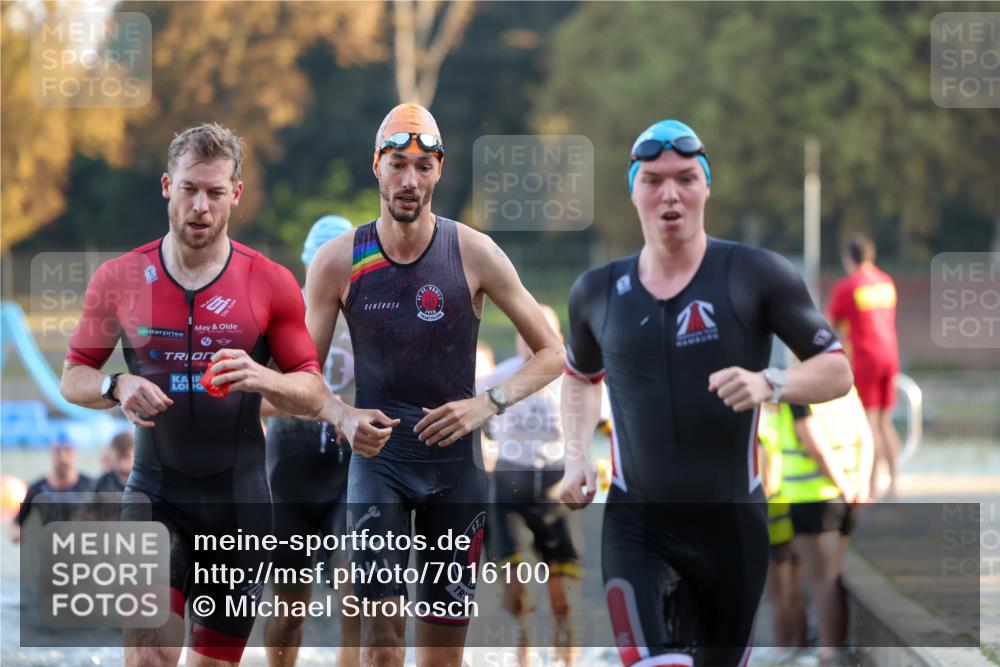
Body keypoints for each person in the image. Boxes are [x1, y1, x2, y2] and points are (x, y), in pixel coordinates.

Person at [558, 119, 853, 667]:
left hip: (731, 528)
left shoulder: (755, 274)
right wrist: (576, 456)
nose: (670, 193)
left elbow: (836, 371)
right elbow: (579, 377)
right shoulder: (596, 292)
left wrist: (771, 382)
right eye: (653, 180)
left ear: (706, 186)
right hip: (636, 523)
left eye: (686, 178)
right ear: (634, 191)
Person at [309, 102, 565, 667]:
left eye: (422, 168)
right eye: (397, 164)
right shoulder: (337, 261)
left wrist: (487, 403)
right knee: (381, 647)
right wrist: (342, 415)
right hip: (379, 466)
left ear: (440, 171)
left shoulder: (472, 252)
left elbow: (552, 354)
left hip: (457, 472)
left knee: (442, 656)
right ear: (375, 165)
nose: (409, 180)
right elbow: (304, 377)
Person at [61, 122, 325, 667]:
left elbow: (311, 390)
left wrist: (263, 377)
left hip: (241, 502)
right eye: (189, 189)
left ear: (236, 196)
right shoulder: (120, 276)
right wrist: (116, 384)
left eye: (215, 192)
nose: (200, 206)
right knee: (149, 653)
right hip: (155, 491)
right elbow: (73, 375)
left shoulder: (270, 282)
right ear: (167, 186)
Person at [263, 214, 360, 667]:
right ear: (308, 265)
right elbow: (254, 399)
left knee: (354, 590)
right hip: (290, 475)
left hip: (350, 471)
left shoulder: (370, 318)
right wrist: (319, 405)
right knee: (288, 608)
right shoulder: (280, 318)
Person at [479, 305, 581, 667]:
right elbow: (468, 418)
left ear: (559, 340)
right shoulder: (497, 379)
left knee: (562, 599)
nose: (529, 342)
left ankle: (566, 659)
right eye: (523, 334)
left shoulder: (575, 380)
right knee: (518, 592)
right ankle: (524, 652)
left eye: (539, 334)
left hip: (556, 494)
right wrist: (483, 455)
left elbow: (608, 425)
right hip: (510, 494)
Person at [774, 388, 874, 666]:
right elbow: (865, 435)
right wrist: (859, 484)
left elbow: (814, 443)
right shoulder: (847, 386)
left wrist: (842, 484)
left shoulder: (797, 390)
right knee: (833, 574)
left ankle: (830, 653)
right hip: (849, 495)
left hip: (813, 498)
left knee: (822, 579)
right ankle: (837, 646)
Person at [827, 233, 901, 499]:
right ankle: (893, 484)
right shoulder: (886, 283)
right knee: (884, 422)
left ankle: (870, 486)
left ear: (849, 258)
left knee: (867, 423)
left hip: (865, 357)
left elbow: (829, 327)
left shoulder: (849, 287)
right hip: (890, 356)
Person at [12, 430, 94, 543]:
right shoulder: (37, 489)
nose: (63, 458)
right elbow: (16, 525)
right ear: (51, 452)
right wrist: (18, 534)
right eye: (58, 451)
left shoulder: (91, 486)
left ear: (75, 452)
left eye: (67, 450)